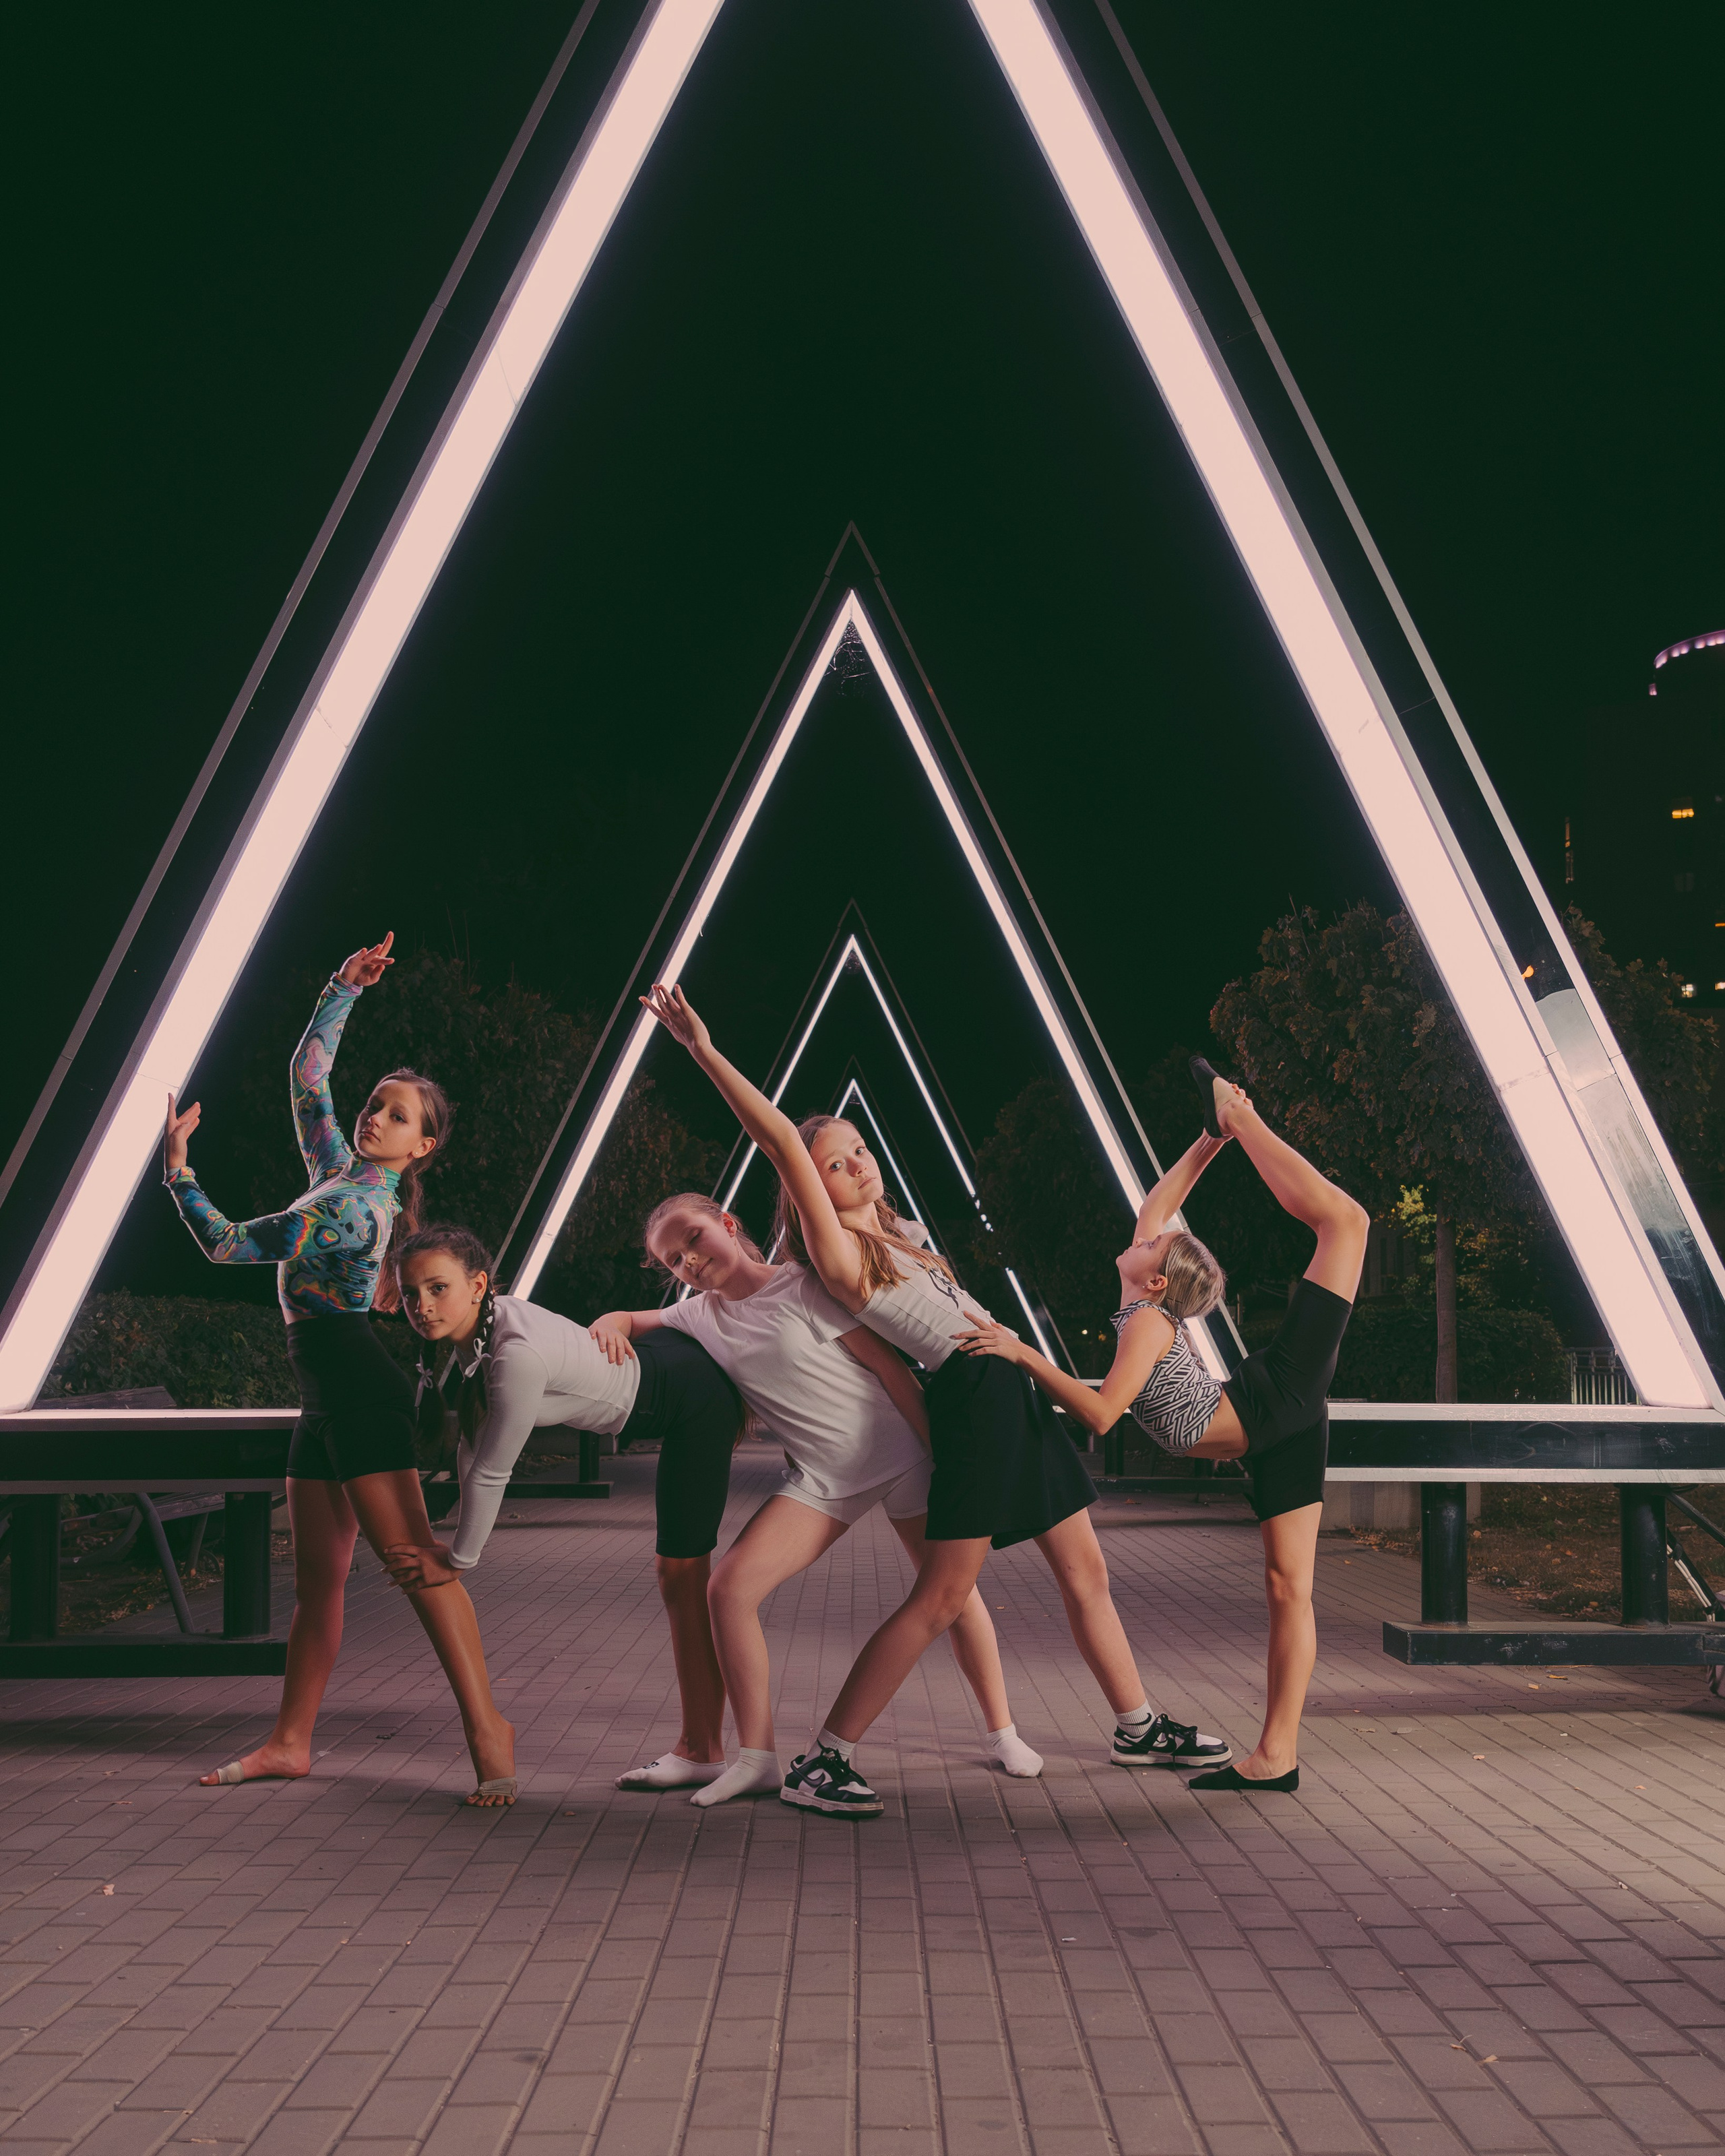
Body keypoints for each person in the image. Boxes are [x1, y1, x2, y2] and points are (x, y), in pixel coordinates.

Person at [637, 984, 1230, 1820]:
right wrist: (702, 1047)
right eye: (832, 1162)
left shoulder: (902, 1236)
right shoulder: (834, 1254)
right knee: (944, 1595)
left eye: (856, 1149)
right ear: (807, 1187)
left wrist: (1211, 1137)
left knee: (1085, 1570)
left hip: (1008, 1382)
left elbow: (1148, 1217)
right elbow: (777, 1139)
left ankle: (1137, 1725)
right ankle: (825, 1757)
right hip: (971, 1392)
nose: (854, 1163)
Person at [163, 935, 518, 1805]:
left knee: (414, 1563)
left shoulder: (358, 1209)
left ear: (422, 1145)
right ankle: (290, 1742)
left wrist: (180, 1175)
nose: (375, 1118)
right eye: (374, 1105)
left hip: (357, 1388)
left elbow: (227, 1244)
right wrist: (342, 988)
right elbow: (307, 1078)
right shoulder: (336, 1172)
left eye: (397, 1115)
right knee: (319, 1581)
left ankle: (488, 1728)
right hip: (322, 1393)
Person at [955, 1056, 1369, 1795]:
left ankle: (1245, 1117)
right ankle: (1276, 1757)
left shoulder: (1147, 1318)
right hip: (1271, 1425)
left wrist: (1021, 1351)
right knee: (1288, 1589)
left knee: (1347, 1222)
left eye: (1152, 1243)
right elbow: (1159, 1204)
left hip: (1274, 1400)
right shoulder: (1146, 1302)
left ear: (1153, 1279)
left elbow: (1101, 1414)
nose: (1146, 1232)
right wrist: (1206, 1142)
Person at [590, 1191, 1045, 1808]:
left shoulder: (802, 1284)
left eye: (693, 1239)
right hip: (826, 1478)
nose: (688, 1261)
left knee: (953, 1596)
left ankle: (1003, 1733)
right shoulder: (696, 1315)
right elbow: (630, 1318)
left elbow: (890, 1370)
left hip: (903, 1456)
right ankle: (757, 1760)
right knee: (728, 1589)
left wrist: (942, 1458)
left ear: (728, 1223)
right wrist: (609, 1323)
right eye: (674, 1260)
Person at [381, 1222, 748, 1794]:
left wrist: (457, 1560)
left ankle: (704, 1750)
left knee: (682, 1576)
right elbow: (473, 1444)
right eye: (411, 1293)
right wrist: (449, 1540)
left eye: (437, 1288)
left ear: (478, 1286)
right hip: (662, 1365)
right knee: (677, 1578)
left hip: (692, 1398)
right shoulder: (488, 1329)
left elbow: (492, 1468)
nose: (422, 1306)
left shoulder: (515, 1355)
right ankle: (702, 1748)